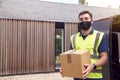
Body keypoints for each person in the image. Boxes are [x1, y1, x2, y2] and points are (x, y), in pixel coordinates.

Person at [60, 11, 108, 80]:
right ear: (79, 22)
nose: (84, 21)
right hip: (78, 77)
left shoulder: (99, 36)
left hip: (95, 77)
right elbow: (71, 57)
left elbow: (105, 58)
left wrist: (93, 66)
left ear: (91, 21)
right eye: (81, 19)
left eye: (86, 18)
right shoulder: (73, 38)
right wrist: (65, 67)